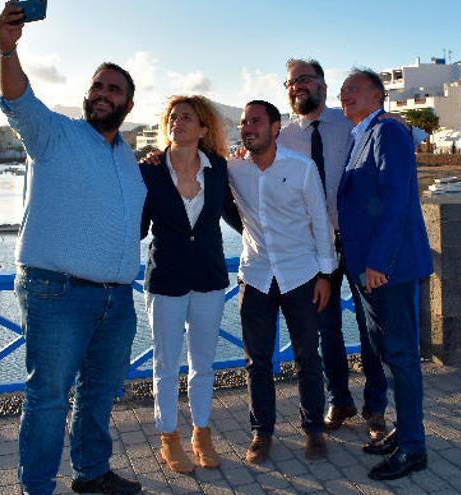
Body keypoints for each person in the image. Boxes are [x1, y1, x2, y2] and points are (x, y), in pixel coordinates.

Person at [0, 4, 144, 494]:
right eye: (97, 86)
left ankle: (91, 474)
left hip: (116, 298)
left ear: (128, 104)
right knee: (49, 398)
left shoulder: (128, 157)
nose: (102, 94)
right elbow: (18, 99)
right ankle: (37, 486)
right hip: (56, 292)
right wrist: (8, 47)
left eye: (113, 89)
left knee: (99, 394)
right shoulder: (54, 134)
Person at [276, 59, 389, 440]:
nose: (298, 87)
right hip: (311, 248)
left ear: (323, 85)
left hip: (355, 242)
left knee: (371, 327)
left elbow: (391, 145)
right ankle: (338, 399)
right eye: (292, 82)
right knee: (325, 329)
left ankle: (376, 407)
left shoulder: (352, 123)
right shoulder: (283, 137)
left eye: (305, 79)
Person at [337, 69, 433, 481]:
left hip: (386, 271)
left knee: (402, 358)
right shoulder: (362, 135)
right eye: (342, 92)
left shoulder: (387, 132)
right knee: (389, 355)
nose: (345, 95)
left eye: (353, 89)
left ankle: (413, 448)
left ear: (378, 96)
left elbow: (396, 199)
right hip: (369, 271)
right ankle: (404, 432)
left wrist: (378, 261)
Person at [230, 100, 336, 464]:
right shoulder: (233, 168)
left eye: (256, 121)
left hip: (302, 275)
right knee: (256, 361)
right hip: (256, 275)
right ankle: (262, 431)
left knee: (308, 356)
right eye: (244, 122)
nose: (248, 127)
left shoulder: (302, 167)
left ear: (276, 127)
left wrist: (326, 274)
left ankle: (314, 430)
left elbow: (320, 222)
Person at [139, 95, 239, 473]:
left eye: (187, 118)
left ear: (203, 129)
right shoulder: (148, 171)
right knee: (166, 364)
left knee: (203, 364)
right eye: (173, 117)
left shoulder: (220, 171)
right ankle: (169, 436)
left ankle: (202, 432)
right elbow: (137, 226)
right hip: (166, 278)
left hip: (209, 277)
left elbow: (240, 217)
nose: (177, 122)